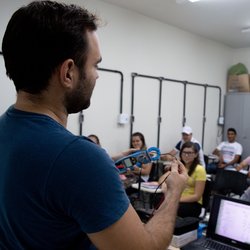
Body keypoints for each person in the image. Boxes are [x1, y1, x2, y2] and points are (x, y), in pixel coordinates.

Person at [0, 1, 188, 249]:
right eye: (95, 64)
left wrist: (108, 162)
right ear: (68, 72)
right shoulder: (80, 159)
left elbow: (46, 186)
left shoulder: (7, 131)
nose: (97, 75)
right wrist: (174, 192)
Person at [160, 142, 206, 218]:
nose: (186, 155)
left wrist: (175, 199)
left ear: (195, 154)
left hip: (192, 203)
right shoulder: (179, 167)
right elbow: (162, 180)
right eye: (184, 152)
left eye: (190, 153)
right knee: (158, 201)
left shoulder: (200, 170)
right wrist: (165, 187)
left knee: (171, 208)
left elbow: (197, 196)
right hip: (177, 198)